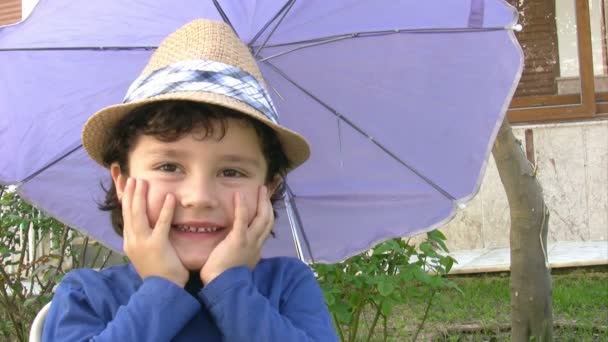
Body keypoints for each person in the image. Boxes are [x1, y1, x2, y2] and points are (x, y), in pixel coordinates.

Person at [42, 19, 338, 341]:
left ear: (268, 190)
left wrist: (230, 286)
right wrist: (162, 288)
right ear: (123, 182)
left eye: (231, 172)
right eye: (169, 167)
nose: (199, 197)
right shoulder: (86, 295)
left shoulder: (288, 285)